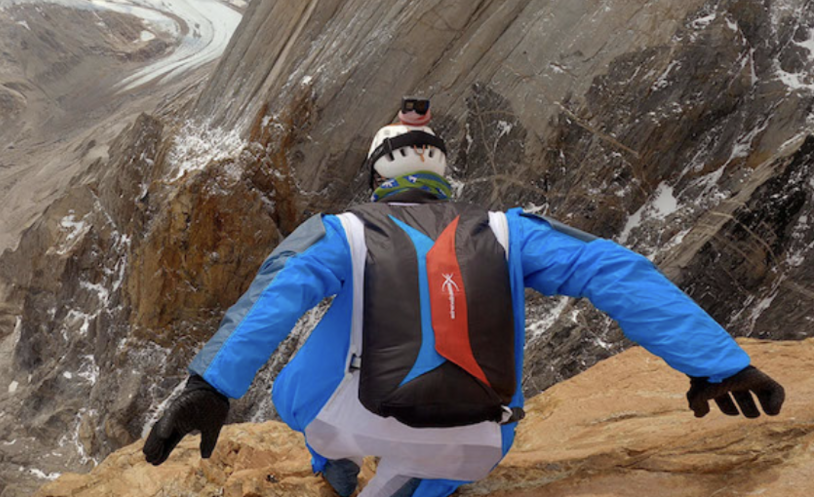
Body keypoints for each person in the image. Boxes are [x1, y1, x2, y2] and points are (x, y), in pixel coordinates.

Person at [142, 98, 785, 497]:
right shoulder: (509, 231)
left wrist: (211, 387)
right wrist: (718, 364)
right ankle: (425, 485)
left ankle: (332, 466)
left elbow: (274, 298)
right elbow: (615, 271)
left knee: (294, 385)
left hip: (352, 417)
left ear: (376, 178)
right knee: (455, 451)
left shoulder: (342, 232)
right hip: (478, 438)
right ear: (442, 175)